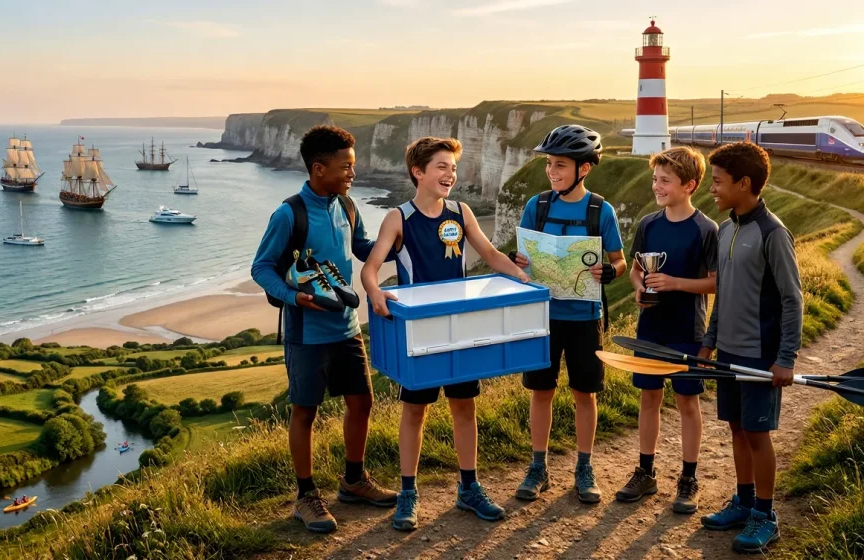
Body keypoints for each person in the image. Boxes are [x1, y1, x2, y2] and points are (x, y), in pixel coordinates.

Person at [362, 136, 529, 531]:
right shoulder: (397, 218)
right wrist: (374, 292)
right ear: (418, 172)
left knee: (464, 407)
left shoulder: (461, 211)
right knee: (414, 411)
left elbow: (489, 254)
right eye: (441, 166)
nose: (450, 174)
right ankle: (408, 493)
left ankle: (468, 488)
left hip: (460, 326)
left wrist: (521, 276)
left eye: (453, 168)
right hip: (420, 330)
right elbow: (370, 268)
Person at [251, 125, 397, 534]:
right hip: (306, 333)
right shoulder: (288, 213)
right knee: (305, 411)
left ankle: (353, 481)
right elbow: (261, 267)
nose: (353, 172)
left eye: (353, 165)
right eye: (346, 166)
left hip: (346, 326)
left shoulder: (347, 205)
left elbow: (364, 247)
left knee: (362, 402)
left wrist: (400, 246)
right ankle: (306, 497)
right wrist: (291, 296)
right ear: (319, 168)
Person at [509, 125, 626, 504]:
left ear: (584, 168)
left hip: (584, 316)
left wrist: (610, 272)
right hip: (543, 315)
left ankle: (584, 466)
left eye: (560, 165)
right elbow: (521, 256)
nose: (551, 172)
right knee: (540, 391)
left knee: (584, 393)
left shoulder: (600, 210)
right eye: (549, 165)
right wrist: (519, 261)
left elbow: (619, 261)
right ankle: (538, 465)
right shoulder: (537, 206)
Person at [698, 142, 802, 554]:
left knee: (758, 434)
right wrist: (709, 343)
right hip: (728, 352)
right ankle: (742, 502)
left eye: (719, 182)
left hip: (761, 355)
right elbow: (723, 294)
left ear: (745, 183)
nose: (713, 189)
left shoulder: (773, 233)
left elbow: (793, 299)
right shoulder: (726, 229)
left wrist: (786, 358)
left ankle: (765, 514)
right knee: (737, 429)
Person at [615, 146, 717, 514]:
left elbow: (714, 283)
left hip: (687, 330)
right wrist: (639, 288)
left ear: (689, 185)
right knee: (649, 399)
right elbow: (636, 269)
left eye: (665, 181)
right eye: (655, 179)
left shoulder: (706, 229)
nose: (656, 186)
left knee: (687, 403)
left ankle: (688, 478)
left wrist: (674, 283)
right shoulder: (648, 224)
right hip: (651, 327)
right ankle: (645, 472)